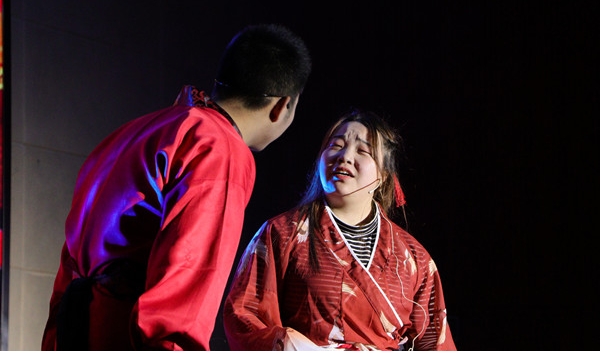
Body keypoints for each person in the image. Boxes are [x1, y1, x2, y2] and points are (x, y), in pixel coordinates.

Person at [41, 24, 311, 351]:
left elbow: (70, 262)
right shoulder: (218, 147)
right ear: (282, 107)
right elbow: (187, 281)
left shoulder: (139, 129)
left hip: (75, 333)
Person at [224, 110, 456, 351]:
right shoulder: (281, 234)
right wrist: (287, 342)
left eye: (363, 151)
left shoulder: (414, 258)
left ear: (383, 176)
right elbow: (244, 315)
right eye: (336, 146)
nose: (344, 156)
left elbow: (436, 342)